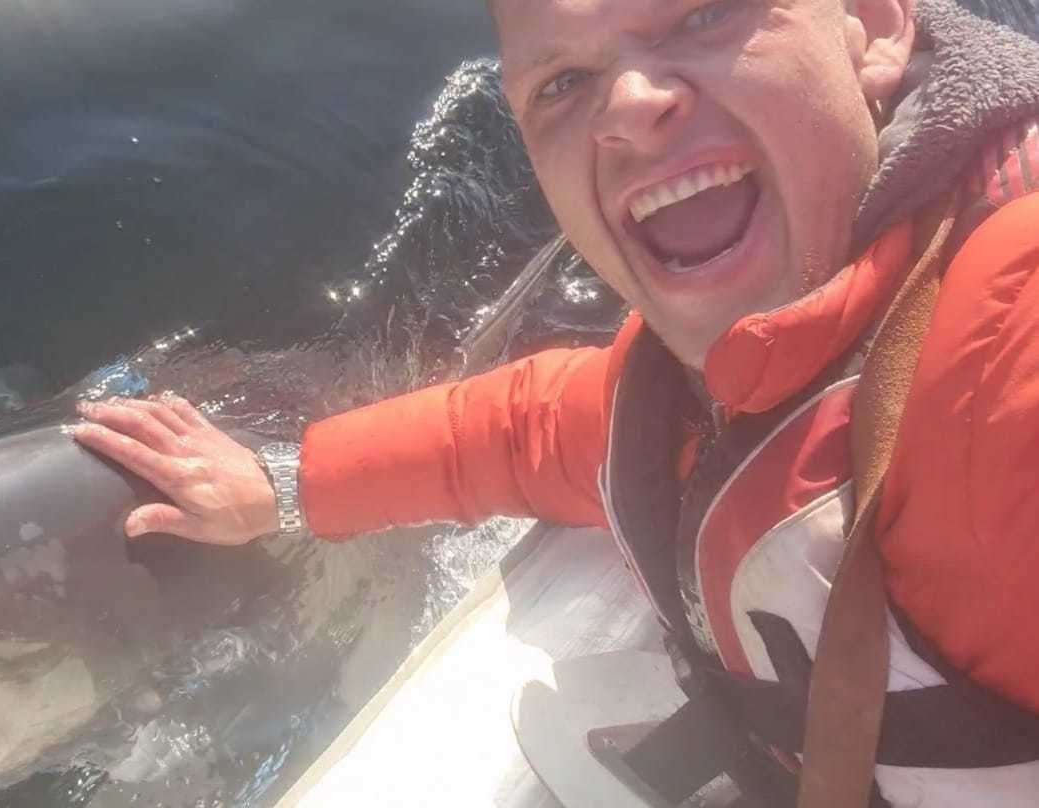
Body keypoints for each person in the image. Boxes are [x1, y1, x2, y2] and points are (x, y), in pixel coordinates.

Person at [71, 0, 1039, 804]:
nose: (626, 105)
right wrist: (281, 483)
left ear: (869, 24)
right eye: (561, 84)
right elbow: (538, 427)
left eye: (699, 15)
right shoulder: (726, 372)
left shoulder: (1003, 349)